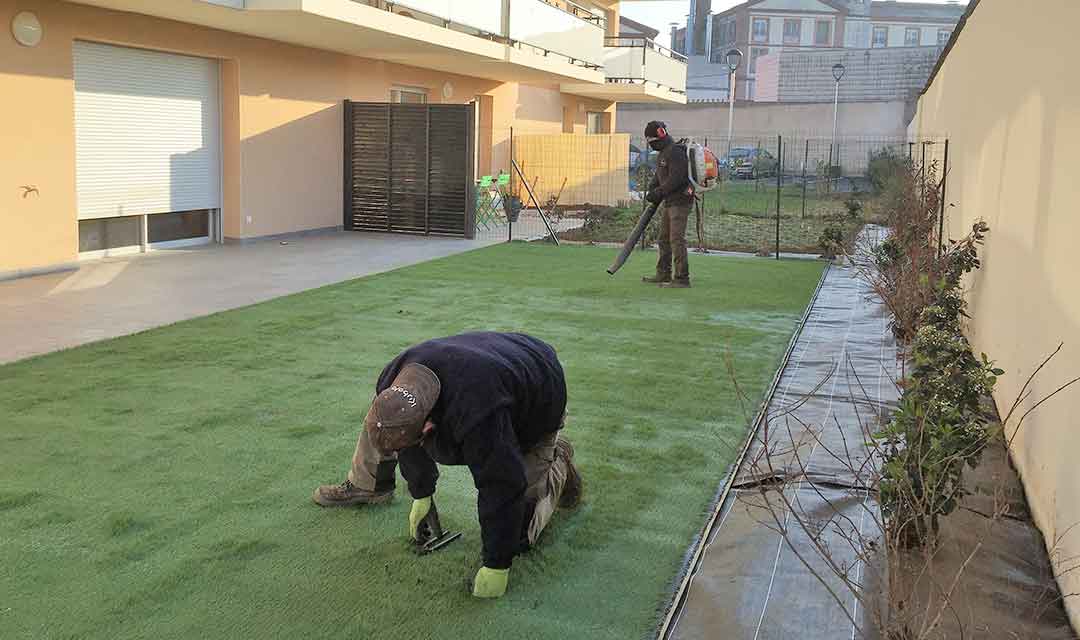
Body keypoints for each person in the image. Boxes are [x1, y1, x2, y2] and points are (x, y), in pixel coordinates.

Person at [312, 332, 582, 599]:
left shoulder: (479, 413)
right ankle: (370, 485)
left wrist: (497, 565)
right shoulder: (391, 379)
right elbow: (406, 436)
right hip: (488, 363)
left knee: (518, 533)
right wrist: (422, 494)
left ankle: (556, 460)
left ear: (428, 427)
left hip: (541, 392)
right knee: (386, 423)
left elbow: (501, 484)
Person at [643, 120, 694, 288]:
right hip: (670, 202)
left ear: (659, 136)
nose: (650, 145)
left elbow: (676, 178)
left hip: (680, 201)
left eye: (651, 141)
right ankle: (663, 273)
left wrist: (658, 192)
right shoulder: (664, 153)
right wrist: (653, 188)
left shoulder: (675, 152)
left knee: (676, 239)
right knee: (664, 239)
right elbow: (660, 176)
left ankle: (681, 278)